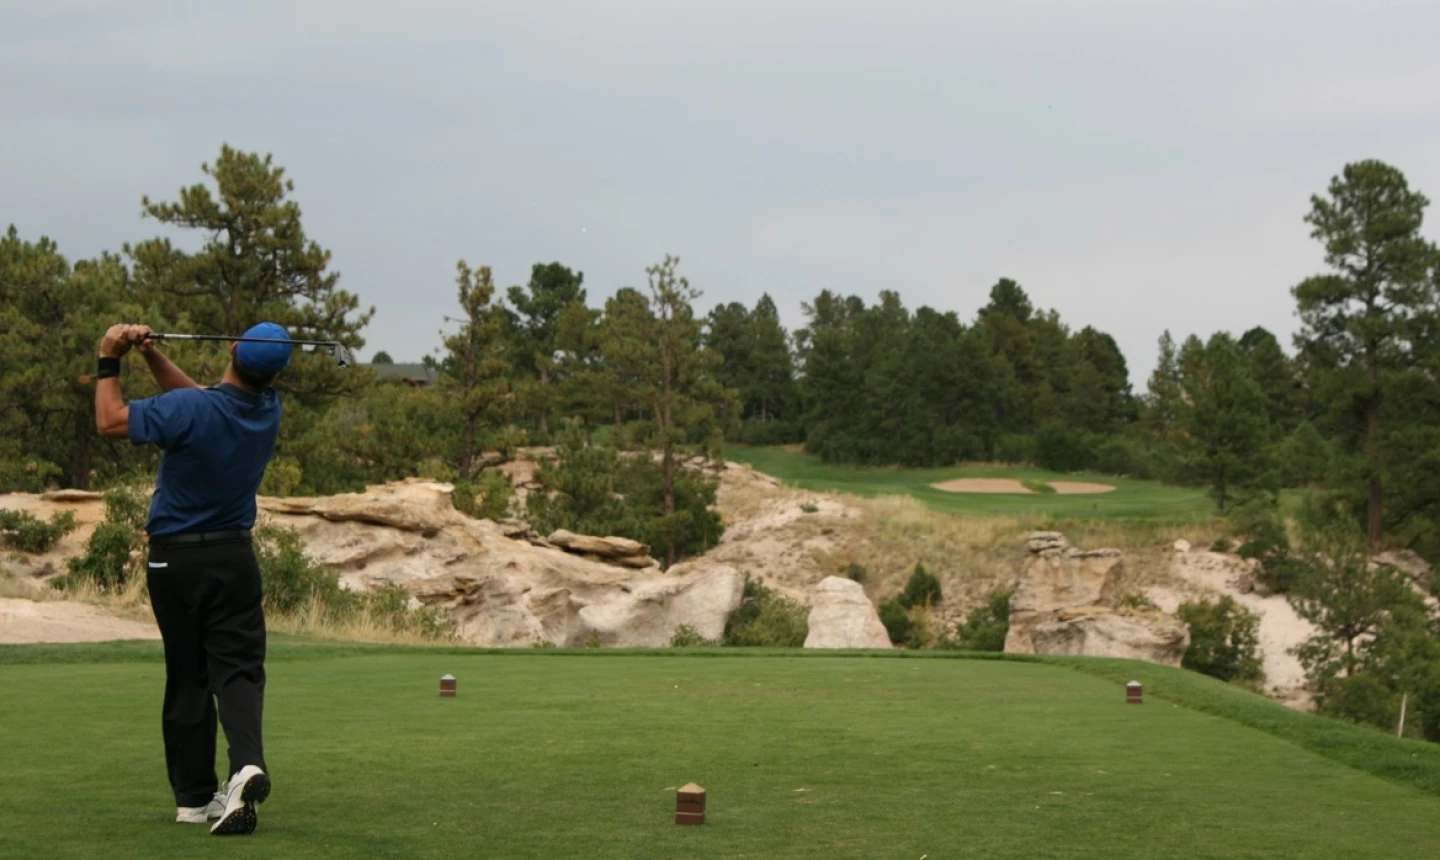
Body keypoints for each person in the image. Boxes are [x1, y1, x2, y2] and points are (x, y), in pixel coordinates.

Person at [94, 321, 291, 836]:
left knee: (188, 674)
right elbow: (203, 400)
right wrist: (154, 356)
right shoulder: (267, 410)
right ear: (275, 375)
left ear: (231, 349)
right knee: (239, 671)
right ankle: (246, 765)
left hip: (174, 561)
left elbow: (110, 421)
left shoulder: (193, 410)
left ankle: (192, 797)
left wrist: (110, 358)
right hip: (234, 557)